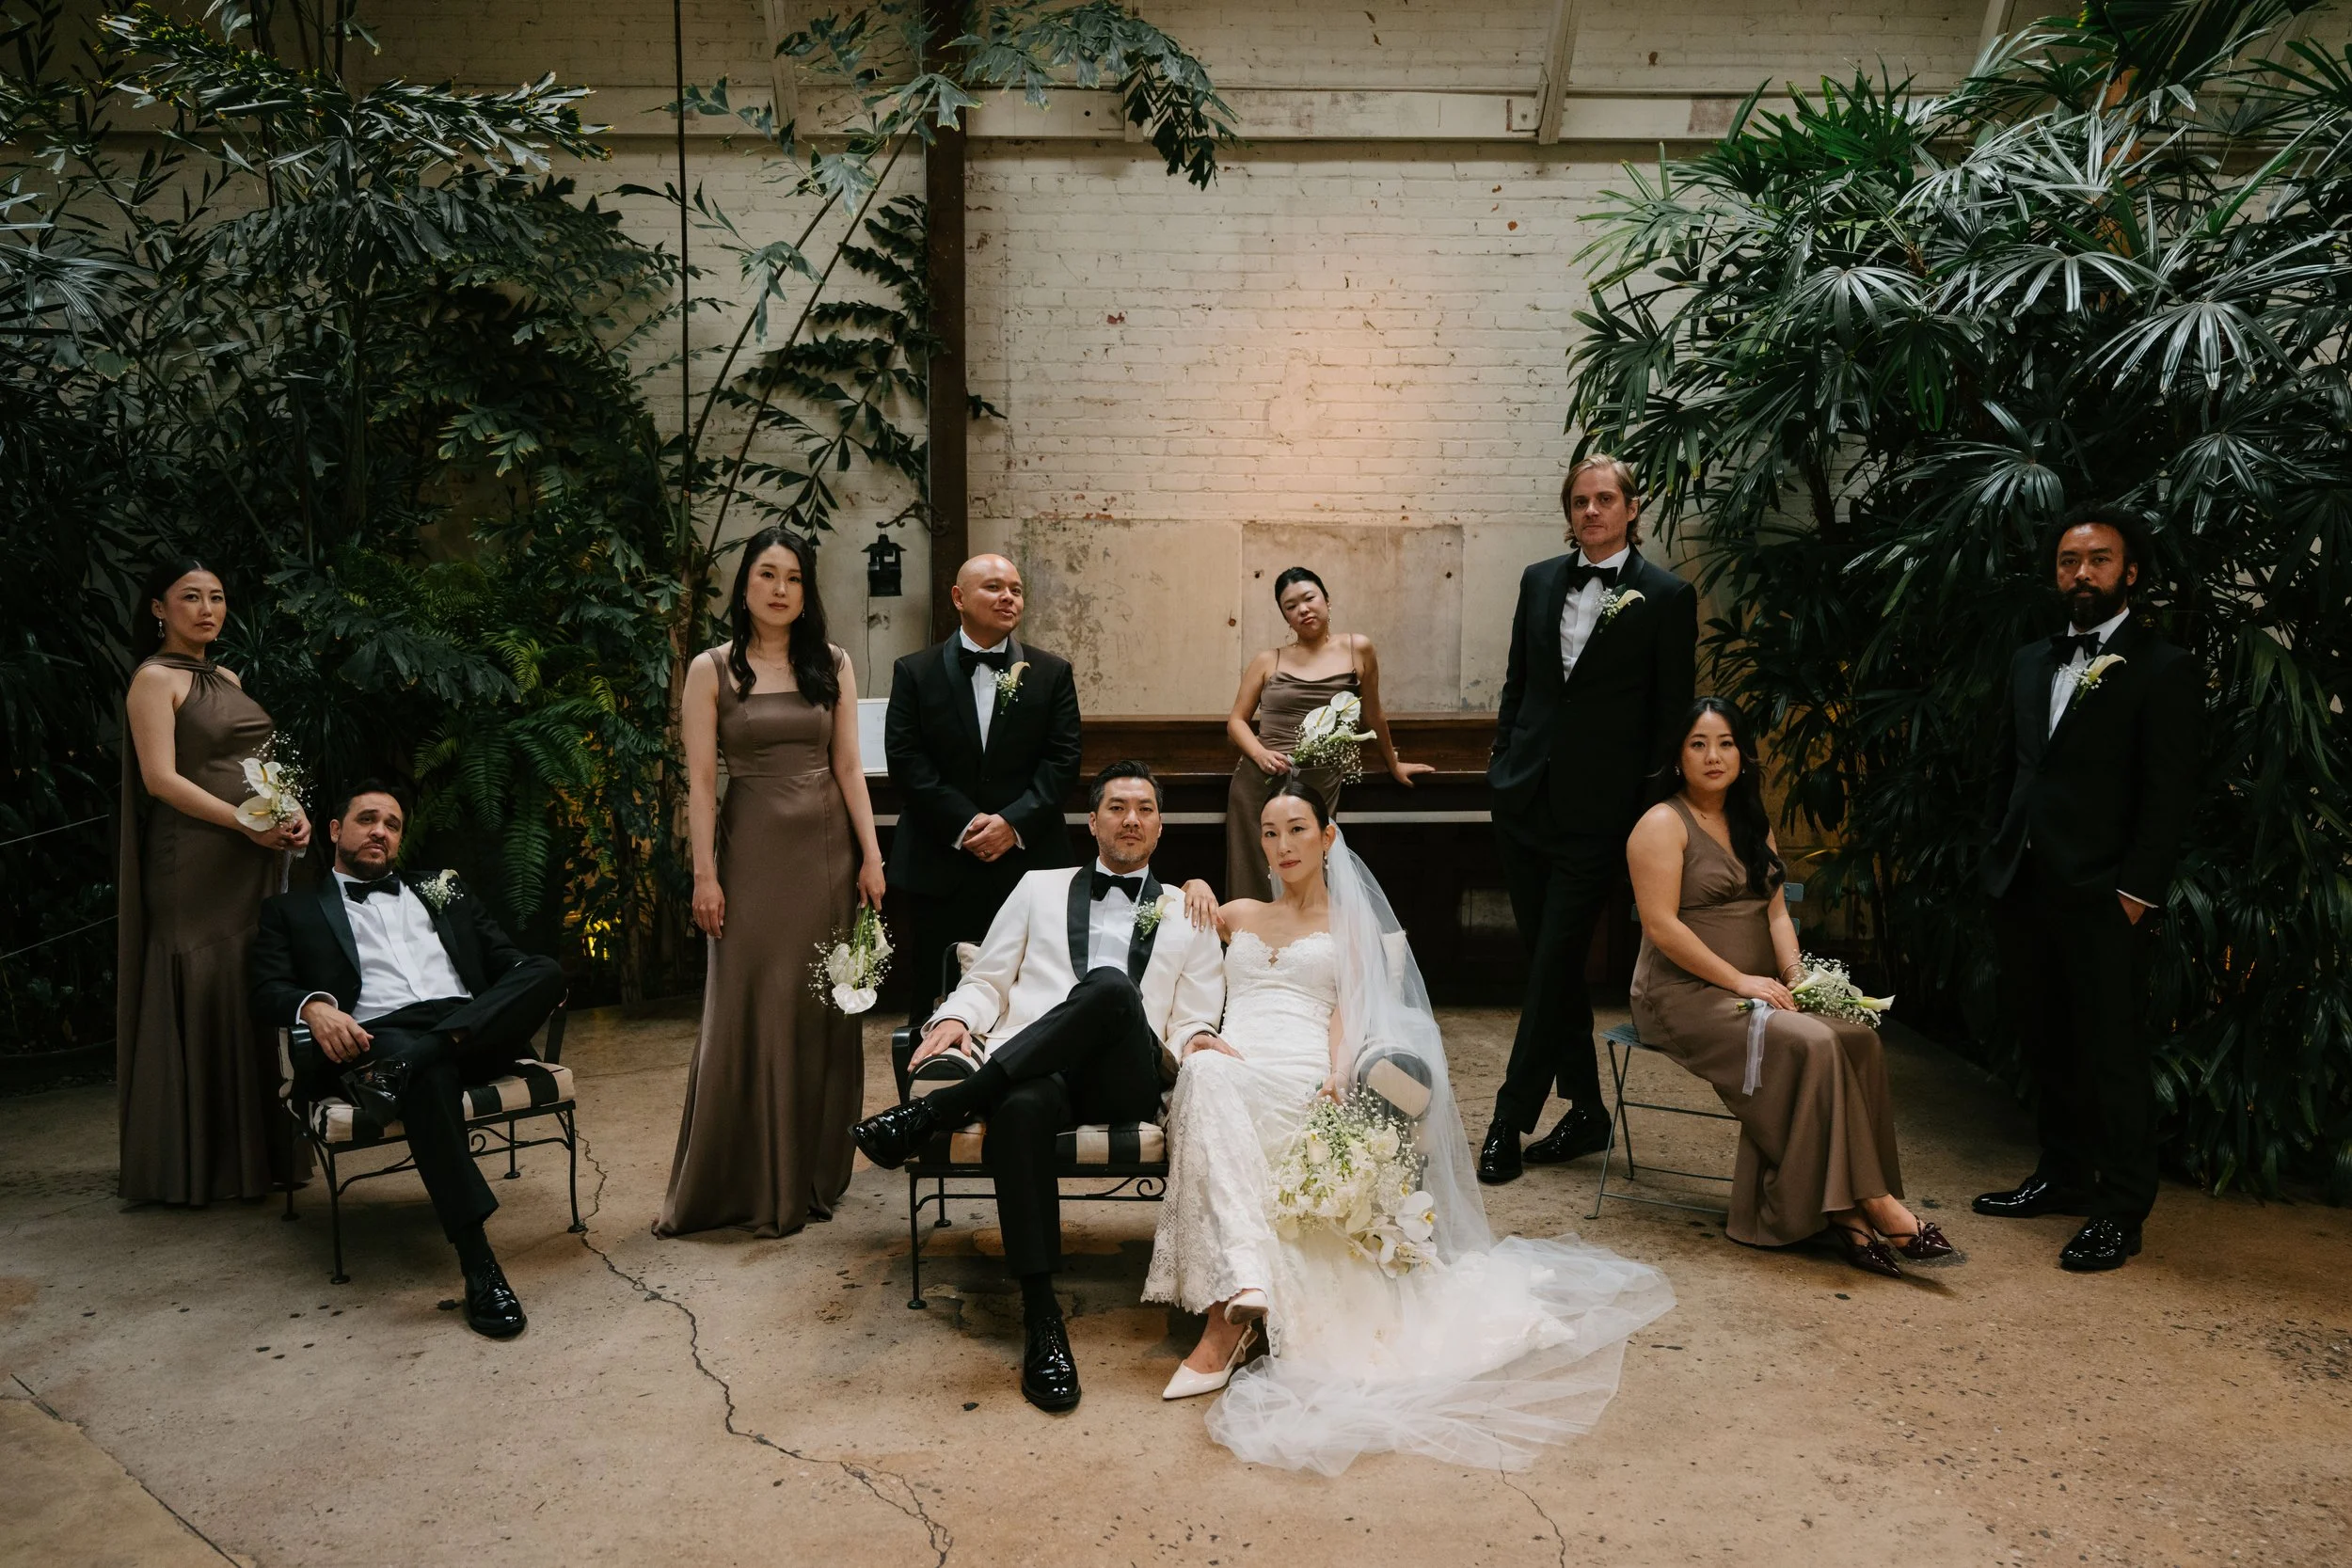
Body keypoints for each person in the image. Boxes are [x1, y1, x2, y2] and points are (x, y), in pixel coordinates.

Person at [1144, 781, 1675, 1474]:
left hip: (1302, 1076)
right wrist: (1193, 879)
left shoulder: (1350, 927)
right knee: (1204, 1073)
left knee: (1210, 1082)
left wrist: (1339, 1075)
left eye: (1297, 829)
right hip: (1233, 1063)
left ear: (1327, 836)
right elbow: (1170, 922)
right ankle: (1246, 1280)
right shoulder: (1238, 911)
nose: (1282, 845)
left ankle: (1232, 1314)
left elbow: (1349, 1016)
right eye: (1270, 832)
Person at [849, 762, 1225, 1413]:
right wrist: (957, 1017)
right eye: (1116, 807)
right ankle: (1042, 1315)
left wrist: (1198, 1042)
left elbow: (1193, 1016)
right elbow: (988, 979)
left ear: (1160, 826)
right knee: (1020, 1109)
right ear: (1092, 819)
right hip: (1037, 1068)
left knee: (1110, 987)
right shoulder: (1036, 888)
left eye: (1143, 808)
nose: (1130, 818)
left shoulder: (1186, 911)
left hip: (1124, 1077)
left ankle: (938, 1109)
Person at [1627, 700, 1952, 1277]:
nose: (1713, 756)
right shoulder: (1660, 824)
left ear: (1743, 755)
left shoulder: (1753, 823)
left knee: (1855, 1039)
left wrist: (1798, 976)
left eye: (1725, 743)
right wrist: (1743, 981)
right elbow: (1662, 927)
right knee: (1812, 1045)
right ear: (1678, 757)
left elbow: (1776, 914)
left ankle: (1843, 1217)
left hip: (1760, 989)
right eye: (1698, 744)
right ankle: (1872, 1203)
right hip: (1684, 994)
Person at [251, 781, 565, 1338]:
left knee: (545, 970)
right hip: (378, 1037)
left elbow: (505, 957)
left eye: (392, 824)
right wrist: (314, 1006)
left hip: (471, 1029)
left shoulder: (443, 888)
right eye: (368, 819)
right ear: (335, 831)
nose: (380, 831)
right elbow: (265, 988)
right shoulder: (290, 911)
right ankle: (480, 1266)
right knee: (425, 1074)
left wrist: (520, 985)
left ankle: (413, 1062)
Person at [1974, 508, 2201, 1273]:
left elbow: (2168, 795)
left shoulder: (2163, 667)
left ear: (2130, 572)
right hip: (2024, 883)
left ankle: (2121, 1210)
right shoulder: (2030, 660)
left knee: (2111, 1053)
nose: (2082, 574)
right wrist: (1998, 854)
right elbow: (2011, 768)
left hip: (2105, 892)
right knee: (2045, 1041)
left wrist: (2135, 894)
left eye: (2100, 560)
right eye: (2070, 561)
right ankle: (2063, 1174)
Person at [656, 527, 886, 1240]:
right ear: (744, 585)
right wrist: (705, 874)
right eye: (766, 574)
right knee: (747, 1003)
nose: (780, 588)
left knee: (821, 1007)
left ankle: (812, 1171)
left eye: (792, 576)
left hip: (825, 849)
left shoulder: (835, 663)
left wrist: (872, 858)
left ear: (806, 590)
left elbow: (850, 767)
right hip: (750, 850)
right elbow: (698, 782)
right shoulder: (711, 669)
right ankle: (744, 1176)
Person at [1481, 455, 1697, 1183]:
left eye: (1605, 499)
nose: (1592, 511)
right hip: (1523, 799)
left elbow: (1670, 718)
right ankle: (1587, 1111)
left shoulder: (1666, 596)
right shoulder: (1540, 579)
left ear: (1632, 508)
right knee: (1555, 962)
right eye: (1580, 500)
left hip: (1599, 815)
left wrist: (1642, 814)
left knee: (1548, 962)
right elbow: (1520, 683)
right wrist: (1502, 762)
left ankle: (1509, 1117)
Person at [117, 555, 312, 1205]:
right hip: (193, 860)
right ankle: (195, 1164)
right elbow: (160, 780)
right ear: (159, 608)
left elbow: (258, 761)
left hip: (247, 852)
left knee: (245, 980)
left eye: (218, 597)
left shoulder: (225, 674)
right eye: (191, 597)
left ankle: (253, 1158)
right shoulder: (153, 679)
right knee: (202, 978)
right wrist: (243, 824)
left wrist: (290, 808)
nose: (208, 609)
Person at [883, 552, 1084, 1025]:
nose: (1008, 597)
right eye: (994, 587)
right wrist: (967, 823)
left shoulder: (1052, 672)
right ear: (958, 598)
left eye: (1015, 589)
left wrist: (1012, 824)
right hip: (941, 859)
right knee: (935, 990)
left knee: (1035, 993)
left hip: (1028, 863)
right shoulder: (914, 671)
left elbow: (1063, 760)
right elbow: (906, 760)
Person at [1221, 567, 1430, 897]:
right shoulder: (1268, 660)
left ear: (1326, 601)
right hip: (1260, 779)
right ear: (1285, 617)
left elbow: (1373, 713)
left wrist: (1394, 763)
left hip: (1319, 780)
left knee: (1313, 874)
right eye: (1290, 606)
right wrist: (1260, 754)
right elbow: (1236, 721)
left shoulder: (1357, 649)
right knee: (1255, 871)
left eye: (1309, 598)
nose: (1302, 609)